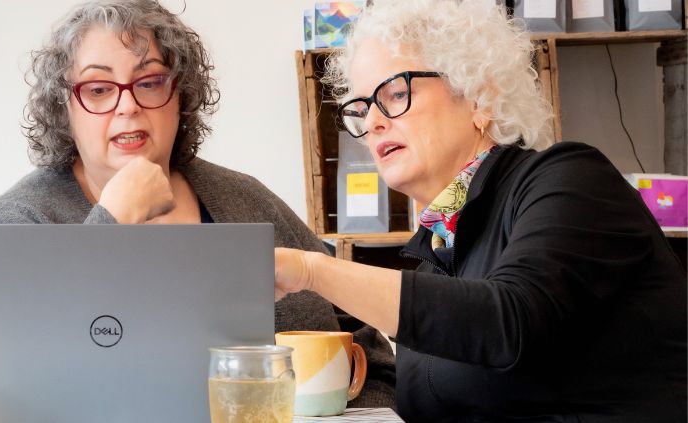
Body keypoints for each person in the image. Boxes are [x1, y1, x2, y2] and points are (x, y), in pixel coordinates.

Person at [0, 0, 396, 411]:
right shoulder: (20, 221)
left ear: (180, 95)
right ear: (65, 108)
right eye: (98, 89)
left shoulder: (246, 200)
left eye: (150, 82)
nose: (127, 107)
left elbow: (369, 353)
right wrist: (112, 220)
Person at [274, 0, 687, 421]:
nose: (374, 122)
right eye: (362, 110)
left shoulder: (571, 181)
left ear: (480, 97)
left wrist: (312, 271)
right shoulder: (440, 256)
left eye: (395, 93)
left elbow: (507, 321)